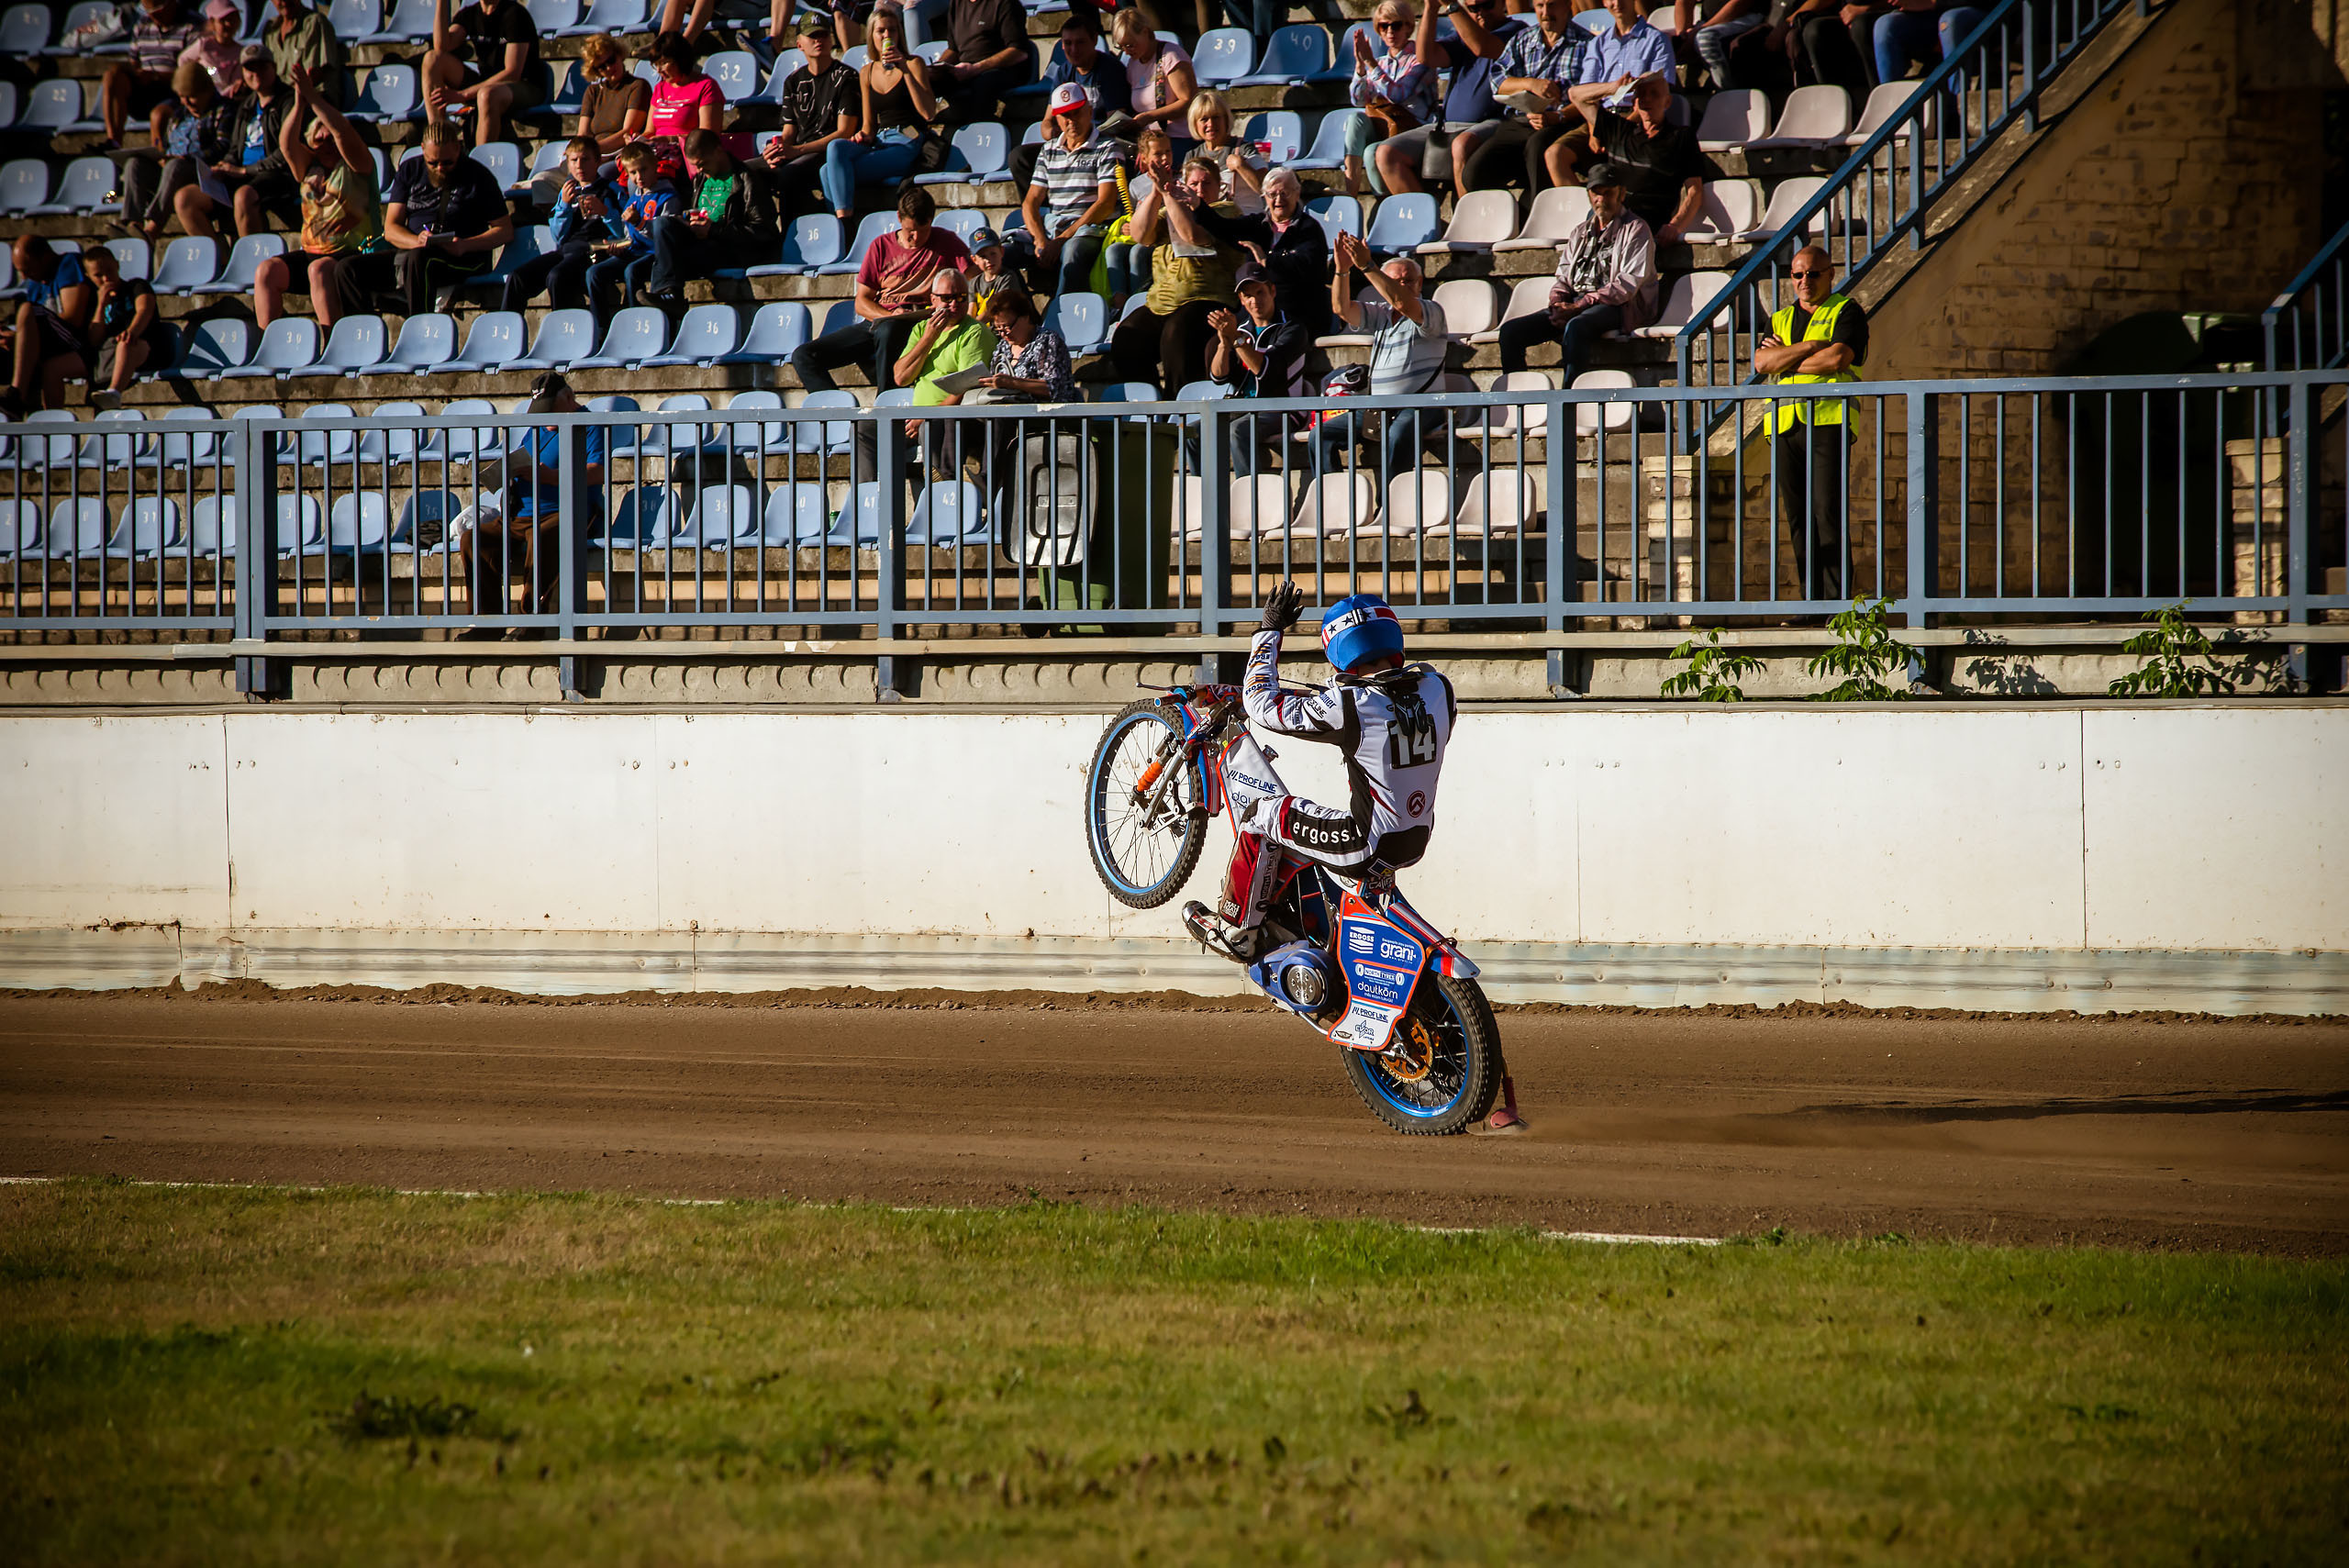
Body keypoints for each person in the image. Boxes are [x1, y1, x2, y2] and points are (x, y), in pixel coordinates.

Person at [1180, 583, 1456, 973]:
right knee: (1304, 819)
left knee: (1261, 812)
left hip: (1362, 844)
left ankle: (1236, 931)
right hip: (1414, 840)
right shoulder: (1439, 689)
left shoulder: (1350, 703)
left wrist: (1269, 630)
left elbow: (1261, 704)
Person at [1755, 245, 1866, 601]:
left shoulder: (1846, 312)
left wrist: (1783, 358)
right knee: (1799, 518)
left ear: (1830, 274)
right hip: (1786, 424)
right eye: (1798, 274)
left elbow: (1836, 358)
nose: (1805, 281)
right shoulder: (1779, 318)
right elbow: (1760, 363)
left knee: (1826, 512)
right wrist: (1807, 347)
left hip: (1827, 420)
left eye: (1813, 274)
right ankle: (1810, 601)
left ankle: (1836, 602)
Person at [788, 185, 970, 395]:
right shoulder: (880, 246)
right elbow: (862, 302)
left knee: (889, 330)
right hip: (881, 320)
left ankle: (886, 403)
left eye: (923, 231)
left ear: (931, 220)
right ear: (899, 219)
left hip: (920, 320)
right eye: (911, 232)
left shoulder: (946, 241)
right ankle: (836, 411)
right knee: (803, 355)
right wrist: (891, 315)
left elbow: (973, 273)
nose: (917, 238)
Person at [1316, 233, 1471, 480]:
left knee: (1397, 434)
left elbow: (1402, 302)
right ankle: (1332, 500)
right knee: (1320, 435)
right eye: (1394, 281)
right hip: (1379, 407)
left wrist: (1367, 266)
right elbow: (1341, 309)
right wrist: (1342, 270)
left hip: (1423, 405)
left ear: (1420, 284)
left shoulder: (1432, 310)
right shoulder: (1380, 314)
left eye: (1409, 280)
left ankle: (1391, 506)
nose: (1402, 285)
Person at [466, 371, 603, 634]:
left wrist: (549, 476)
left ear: (569, 397)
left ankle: (532, 621)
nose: (546, 414)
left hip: (563, 512)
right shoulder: (538, 426)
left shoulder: (589, 423)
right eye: (542, 409)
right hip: (520, 514)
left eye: (551, 407)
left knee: (545, 536)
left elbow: (597, 470)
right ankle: (487, 624)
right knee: (473, 539)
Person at [1494, 160, 1653, 381]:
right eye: (1596, 193)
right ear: (1589, 195)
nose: (1601, 199)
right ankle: (1518, 400)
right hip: (1576, 301)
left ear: (1622, 194)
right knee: (1511, 332)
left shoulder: (1636, 229)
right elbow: (1563, 276)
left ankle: (1569, 403)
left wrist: (1579, 306)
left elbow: (1626, 286)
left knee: (1576, 327)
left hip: (1615, 305)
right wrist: (1558, 304)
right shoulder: (1580, 231)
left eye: (1608, 193)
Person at [253, 65, 385, 326]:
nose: (325, 144)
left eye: (329, 140)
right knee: (266, 271)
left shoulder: (358, 166)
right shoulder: (309, 167)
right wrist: (300, 102)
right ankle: (269, 345)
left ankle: (331, 343)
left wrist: (313, 96)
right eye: (318, 139)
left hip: (353, 254)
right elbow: (286, 145)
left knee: (318, 270)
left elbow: (341, 131)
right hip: (312, 252)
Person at [1109, 150, 1243, 397]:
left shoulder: (1226, 211)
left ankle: (1178, 407)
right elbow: (1140, 235)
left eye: (1207, 183)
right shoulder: (1167, 208)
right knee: (1127, 339)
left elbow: (1193, 236)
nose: (1200, 189)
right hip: (1162, 303)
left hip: (1208, 300)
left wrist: (1168, 196)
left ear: (1219, 187)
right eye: (1194, 183)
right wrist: (1156, 191)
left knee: (1177, 334)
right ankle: (1148, 404)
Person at [1370, 0, 1523, 197]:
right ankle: (1425, 221)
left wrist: (1451, 5)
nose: (1481, 12)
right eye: (1474, 8)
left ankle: (1466, 221)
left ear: (1502, 3)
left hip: (1495, 122)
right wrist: (1431, 8)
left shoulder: (1516, 30)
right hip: (1447, 125)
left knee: (1461, 145)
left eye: (1487, 5)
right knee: (1386, 153)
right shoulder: (1462, 36)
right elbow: (1426, 57)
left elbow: (1481, 47)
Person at [868, 266, 998, 477]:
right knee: (865, 431)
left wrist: (925, 417)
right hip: (918, 417)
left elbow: (968, 385)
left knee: (932, 426)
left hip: (951, 418)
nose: (954, 304)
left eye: (961, 297)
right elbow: (901, 377)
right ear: (933, 299)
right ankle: (872, 495)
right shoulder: (921, 329)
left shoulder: (973, 331)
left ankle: (939, 492)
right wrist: (929, 338)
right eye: (947, 298)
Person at [165, 46, 300, 243]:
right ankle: (220, 258)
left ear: (273, 67)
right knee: (185, 199)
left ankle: (250, 261)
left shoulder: (288, 101)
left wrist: (244, 171)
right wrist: (224, 167)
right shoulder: (247, 105)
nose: (255, 74)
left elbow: (286, 154)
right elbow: (235, 149)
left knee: (243, 196)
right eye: (249, 69)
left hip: (276, 175)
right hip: (241, 175)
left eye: (262, 67)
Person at [382, 117, 516, 316]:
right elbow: (391, 229)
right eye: (432, 163)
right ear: (422, 150)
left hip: (463, 258)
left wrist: (464, 245)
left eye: (447, 163)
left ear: (458, 149)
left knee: (420, 260)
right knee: (347, 270)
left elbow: (505, 231)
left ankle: (419, 327)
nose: (440, 169)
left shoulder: (478, 176)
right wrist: (416, 241)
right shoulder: (410, 169)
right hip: (416, 251)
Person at [1564, 72, 1715, 243]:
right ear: (1634, 102)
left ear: (1667, 102)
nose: (1647, 99)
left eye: (1654, 94)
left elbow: (1694, 190)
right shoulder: (1619, 130)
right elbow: (1575, 95)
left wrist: (1675, 226)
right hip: (1610, 220)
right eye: (1641, 94)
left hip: (1647, 227)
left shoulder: (1680, 137)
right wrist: (1614, 88)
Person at [819, 8, 940, 223]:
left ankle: (844, 229)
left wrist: (904, 69)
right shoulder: (866, 72)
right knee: (832, 155)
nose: (887, 36)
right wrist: (861, 137)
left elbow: (929, 113)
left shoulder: (914, 63)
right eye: (881, 31)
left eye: (892, 30)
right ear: (872, 36)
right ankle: (842, 226)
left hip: (907, 141)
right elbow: (868, 127)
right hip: (880, 141)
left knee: (830, 173)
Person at [1458, 0, 1587, 197]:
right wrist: (1530, 83)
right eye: (1540, 6)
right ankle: (1509, 216)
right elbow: (1498, 81)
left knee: (1538, 148)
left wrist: (1559, 116)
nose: (1545, 12)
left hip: (1562, 122)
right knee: (1474, 174)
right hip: (1520, 120)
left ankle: (1539, 214)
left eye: (1552, 5)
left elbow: (1590, 97)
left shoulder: (1586, 43)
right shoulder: (1523, 39)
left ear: (1568, 5)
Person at [639, 128, 777, 309]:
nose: (700, 169)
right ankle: (669, 295)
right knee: (662, 224)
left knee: (665, 262)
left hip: (730, 248)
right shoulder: (701, 179)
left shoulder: (746, 178)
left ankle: (670, 299)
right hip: (702, 241)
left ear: (718, 150)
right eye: (696, 166)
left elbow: (762, 232)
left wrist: (713, 230)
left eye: (703, 163)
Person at [1186, 164, 1329, 336]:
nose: (1278, 199)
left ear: (1297, 194)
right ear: (1264, 197)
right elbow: (1223, 227)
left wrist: (1268, 260)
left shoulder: (1309, 228)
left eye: (1285, 193)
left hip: (1296, 313)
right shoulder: (1257, 225)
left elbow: (1307, 265)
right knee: (1212, 342)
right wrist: (1197, 205)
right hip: (1256, 312)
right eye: (1272, 194)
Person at [1013, 83, 1124, 297]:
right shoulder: (1048, 150)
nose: (1071, 121)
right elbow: (1030, 202)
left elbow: (1105, 203)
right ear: (1056, 118)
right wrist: (1040, 240)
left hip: (1090, 229)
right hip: (1055, 228)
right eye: (1065, 115)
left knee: (1072, 251)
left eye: (1076, 113)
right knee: (1003, 254)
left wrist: (1061, 240)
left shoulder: (1108, 148)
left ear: (1089, 111)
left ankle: (1060, 316)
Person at [1008, 17, 1135, 195]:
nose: (1074, 50)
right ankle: (1047, 210)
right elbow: (1047, 122)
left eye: (1080, 43)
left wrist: (1080, 139)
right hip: (1069, 143)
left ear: (1094, 41)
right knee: (1019, 157)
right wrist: (1052, 133)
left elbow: (1116, 123)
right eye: (1068, 43)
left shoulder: (1110, 69)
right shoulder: (1063, 72)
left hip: (1100, 145)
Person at [1210, 261, 1309, 475]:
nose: (1255, 301)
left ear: (1272, 291)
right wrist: (1223, 343)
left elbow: (1267, 371)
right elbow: (1219, 377)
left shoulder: (1292, 328)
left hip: (1283, 408)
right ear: (1242, 300)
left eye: (1260, 292)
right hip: (1244, 407)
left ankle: (1250, 499)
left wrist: (1235, 339)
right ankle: (1206, 498)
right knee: (1195, 432)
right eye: (1248, 295)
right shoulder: (1240, 330)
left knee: (1238, 430)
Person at [114, 61, 228, 243]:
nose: (187, 102)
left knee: (175, 165)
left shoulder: (222, 110)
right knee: (135, 164)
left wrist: (189, 158)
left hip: (200, 172)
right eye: (182, 97)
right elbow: (168, 143)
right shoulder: (179, 113)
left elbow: (223, 146)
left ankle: (151, 231)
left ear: (205, 90)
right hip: (171, 171)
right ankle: (133, 225)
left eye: (191, 97)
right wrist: (162, 156)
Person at [504, 139, 623, 313]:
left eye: (586, 159)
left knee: (557, 276)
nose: (579, 166)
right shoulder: (567, 191)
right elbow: (558, 236)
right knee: (517, 278)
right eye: (574, 160)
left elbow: (624, 230)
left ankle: (562, 330)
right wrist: (565, 206)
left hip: (594, 251)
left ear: (598, 161)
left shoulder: (611, 189)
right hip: (566, 251)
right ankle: (509, 328)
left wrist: (605, 212)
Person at [760, 16, 859, 217]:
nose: (818, 40)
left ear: (831, 40)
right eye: (812, 36)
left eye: (823, 34)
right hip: (799, 150)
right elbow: (789, 131)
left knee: (789, 174)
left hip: (827, 152)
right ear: (799, 44)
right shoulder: (793, 81)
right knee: (747, 171)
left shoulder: (846, 77)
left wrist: (796, 151)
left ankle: (788, 238)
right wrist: (777, 149)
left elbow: (844, 132)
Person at [1339, 3, 1437, 201]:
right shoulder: (1381, 63)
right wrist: (1360, 68)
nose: (1390, 31)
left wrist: (1371, 65)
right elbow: (1358, 100)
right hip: (1390, 128)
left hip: (1416, 129)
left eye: (1397, 25)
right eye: (1384, 26)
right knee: (1355, 119)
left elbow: (1399, 95)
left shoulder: (1420, 59)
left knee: (1372, 152)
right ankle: (1350, 195)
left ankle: (1388, 203)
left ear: (1409, 27)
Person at [424, 0, 544, 147]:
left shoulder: (515, 14)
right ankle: (439, 139)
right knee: (432, 59)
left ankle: (481, 162)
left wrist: (463, 95)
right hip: (485, 83)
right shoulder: (470, 13)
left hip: (524, 85)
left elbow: (512, 73)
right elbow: (442, 46)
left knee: (487, 95)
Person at [0, 238, 94, 417]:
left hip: (78, 344)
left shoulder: (68, 264)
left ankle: (16, 394)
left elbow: (73, 318)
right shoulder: (35, 284)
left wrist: (21, 337)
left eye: (28, 269)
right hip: (50, 348)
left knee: (29, 310)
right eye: (21, 272)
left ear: (44, 257)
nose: (25, 277)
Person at [584, 142, 675, 326]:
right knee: (594, 273)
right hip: (634, 252)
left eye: (643, 170)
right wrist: (618, 246)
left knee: (632, 271)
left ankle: (637, 325)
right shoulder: (633, 199)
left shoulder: (668, 196)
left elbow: (666, 234)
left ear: (655, 166)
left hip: (654, 255)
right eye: (633, 173)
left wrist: (640, 223)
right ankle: (601, 327)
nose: (639, 177)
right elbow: (629, 235)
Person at [80, 246, 173, 410]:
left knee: (125, 342)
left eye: (109, 270)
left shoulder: (136, 286)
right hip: (109, 355)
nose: (106, 278)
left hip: (144, 347)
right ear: (88, 277)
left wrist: (132, 332)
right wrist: (101, 306)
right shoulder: (94, 301)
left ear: (117, 265)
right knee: (55, 366)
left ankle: (114, 392)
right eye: (98, 275)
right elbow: (94, 339)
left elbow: (145, 309)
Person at [102, 0, 198, 150]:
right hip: (144, 90)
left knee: (159, 115)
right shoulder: (142, 24)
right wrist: (135, 72)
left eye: (159, 9)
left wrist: (156, 76)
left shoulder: (192, 24)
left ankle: (160, 157)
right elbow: (134, 62)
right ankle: (113, 141)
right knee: (112, 76)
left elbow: (195, 74)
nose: (154, 15)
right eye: (149, 11)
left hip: (175, 92)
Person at [934, 0, 1033, 127]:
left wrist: (976, 68)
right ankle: (914, 135)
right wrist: (937, 68)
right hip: (965, 69)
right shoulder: (957, 3)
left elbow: (1019, 52)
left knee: (984, 83)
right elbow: (953, 49)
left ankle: (978, 134)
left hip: (1001, 70)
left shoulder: (1005, 3)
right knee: (922, 81)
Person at [643, 30, 732, 165]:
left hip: (688, 156)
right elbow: (650, 131)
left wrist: (669, 139)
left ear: (680, 59)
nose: (659, 70)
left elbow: (708, 137)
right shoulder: (660, 88)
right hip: (656, 154)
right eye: (656, 65)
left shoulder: (706, 86)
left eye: (664, 63)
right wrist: (637, 141)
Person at [1111, 8, 1197, 150]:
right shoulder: (1133, 62)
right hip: (1150, 143)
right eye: (1121, 47)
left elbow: (1188, 101)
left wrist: (1150, 117)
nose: (1126, 51)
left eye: (1130, 45)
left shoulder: (1171, 56)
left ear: (1145, 32)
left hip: (1179, 139)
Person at [977, 282, 1075, 403]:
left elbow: (1056, 388)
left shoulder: (1048, 341)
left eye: (1007, 327)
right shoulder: (1003, 346)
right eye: (999, 329)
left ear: (1025, 316)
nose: (1003, 334)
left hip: (1042, 414)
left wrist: (1013, 383)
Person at [1186, 92, 1267, 217]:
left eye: (1216, 117)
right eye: (1204, 119)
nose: (1211, 124)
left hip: (1246, 221)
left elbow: (1265, 188)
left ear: (1226, 119)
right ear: (1195, 124)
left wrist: (1240, 165)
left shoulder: (1244, 149)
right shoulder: (1192, 156)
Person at [575, 32, 652, 161]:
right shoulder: (592, 91)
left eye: (611, 60)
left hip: (619, 155)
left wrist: (592, 151)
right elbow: (583, 134)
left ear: (619, 55)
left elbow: (628, 131)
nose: (609, 67)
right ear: (596, 71)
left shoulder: (637, 86)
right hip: (590, 157)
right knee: (547, 178)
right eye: (602, 67)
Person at [265, 0, 348, 108]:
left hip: (315, 99)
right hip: (284, 100)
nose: (284, 2)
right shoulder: (271, 29)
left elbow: (313, 76)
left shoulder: (315, 23)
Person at [1579, 0, 1676, 86]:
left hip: (1641, 104)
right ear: (1604, 2)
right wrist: (1611, 89)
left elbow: (1661, 87)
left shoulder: (1656, 39)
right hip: (1604, 105)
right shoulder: (1598, 43)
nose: (1617, 3)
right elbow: (1587, 87)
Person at [180, 0, 245, 96]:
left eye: (232, 19)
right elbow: (183, 60)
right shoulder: (204, 45)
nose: (228, 24)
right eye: (222, 20)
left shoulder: (242, 52)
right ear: (212, 23)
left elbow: (235, 84)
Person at [962, 225, 1019, 317]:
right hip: (981, 328)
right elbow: (971, 311)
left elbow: (993, 312)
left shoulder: (1007, 278)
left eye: (993, 254)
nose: (988, 260)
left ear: (1001, 252)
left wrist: (975, 328)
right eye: (983, 257)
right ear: (974, 260)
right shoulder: (974, 283)